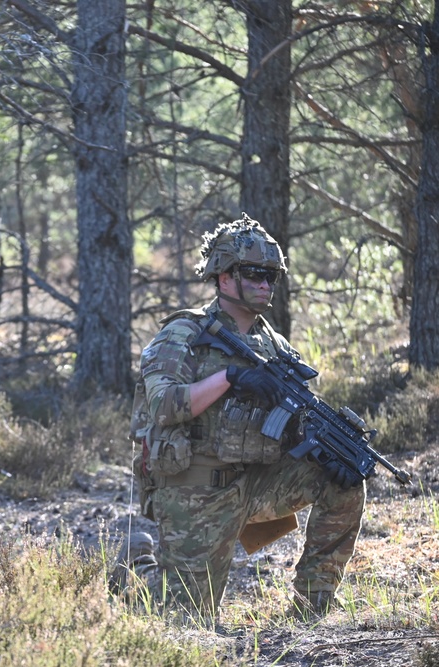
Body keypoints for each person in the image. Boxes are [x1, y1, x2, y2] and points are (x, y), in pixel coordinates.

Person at [119, 214, 365, 620]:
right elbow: (163, 406)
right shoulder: (184, 334)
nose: (265, 283)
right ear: (223, 276)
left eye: (272, 275)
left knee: (344, 480)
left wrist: (326, 448)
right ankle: (136, 569)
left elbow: (294, 421)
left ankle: (313, 602)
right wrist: (230, 377)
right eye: (254, 273)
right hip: (196, 489)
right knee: (185, 619)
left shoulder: (274, 345)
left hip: (255, 482)